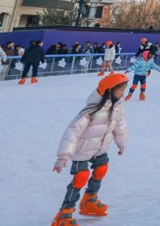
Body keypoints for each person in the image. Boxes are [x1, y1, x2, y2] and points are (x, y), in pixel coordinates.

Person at [51, 74, 128, 226]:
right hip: (82, 150)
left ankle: (89, 200)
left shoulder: (117, 108)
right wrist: (63, 155)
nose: (123, 93)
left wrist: (121, 143)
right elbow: (72, 132)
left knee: (102, 168)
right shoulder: (90, 111)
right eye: (120, 90)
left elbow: (120, 127)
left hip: (100, 148)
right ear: (109, 90)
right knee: (81, 176)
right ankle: (64, 214)